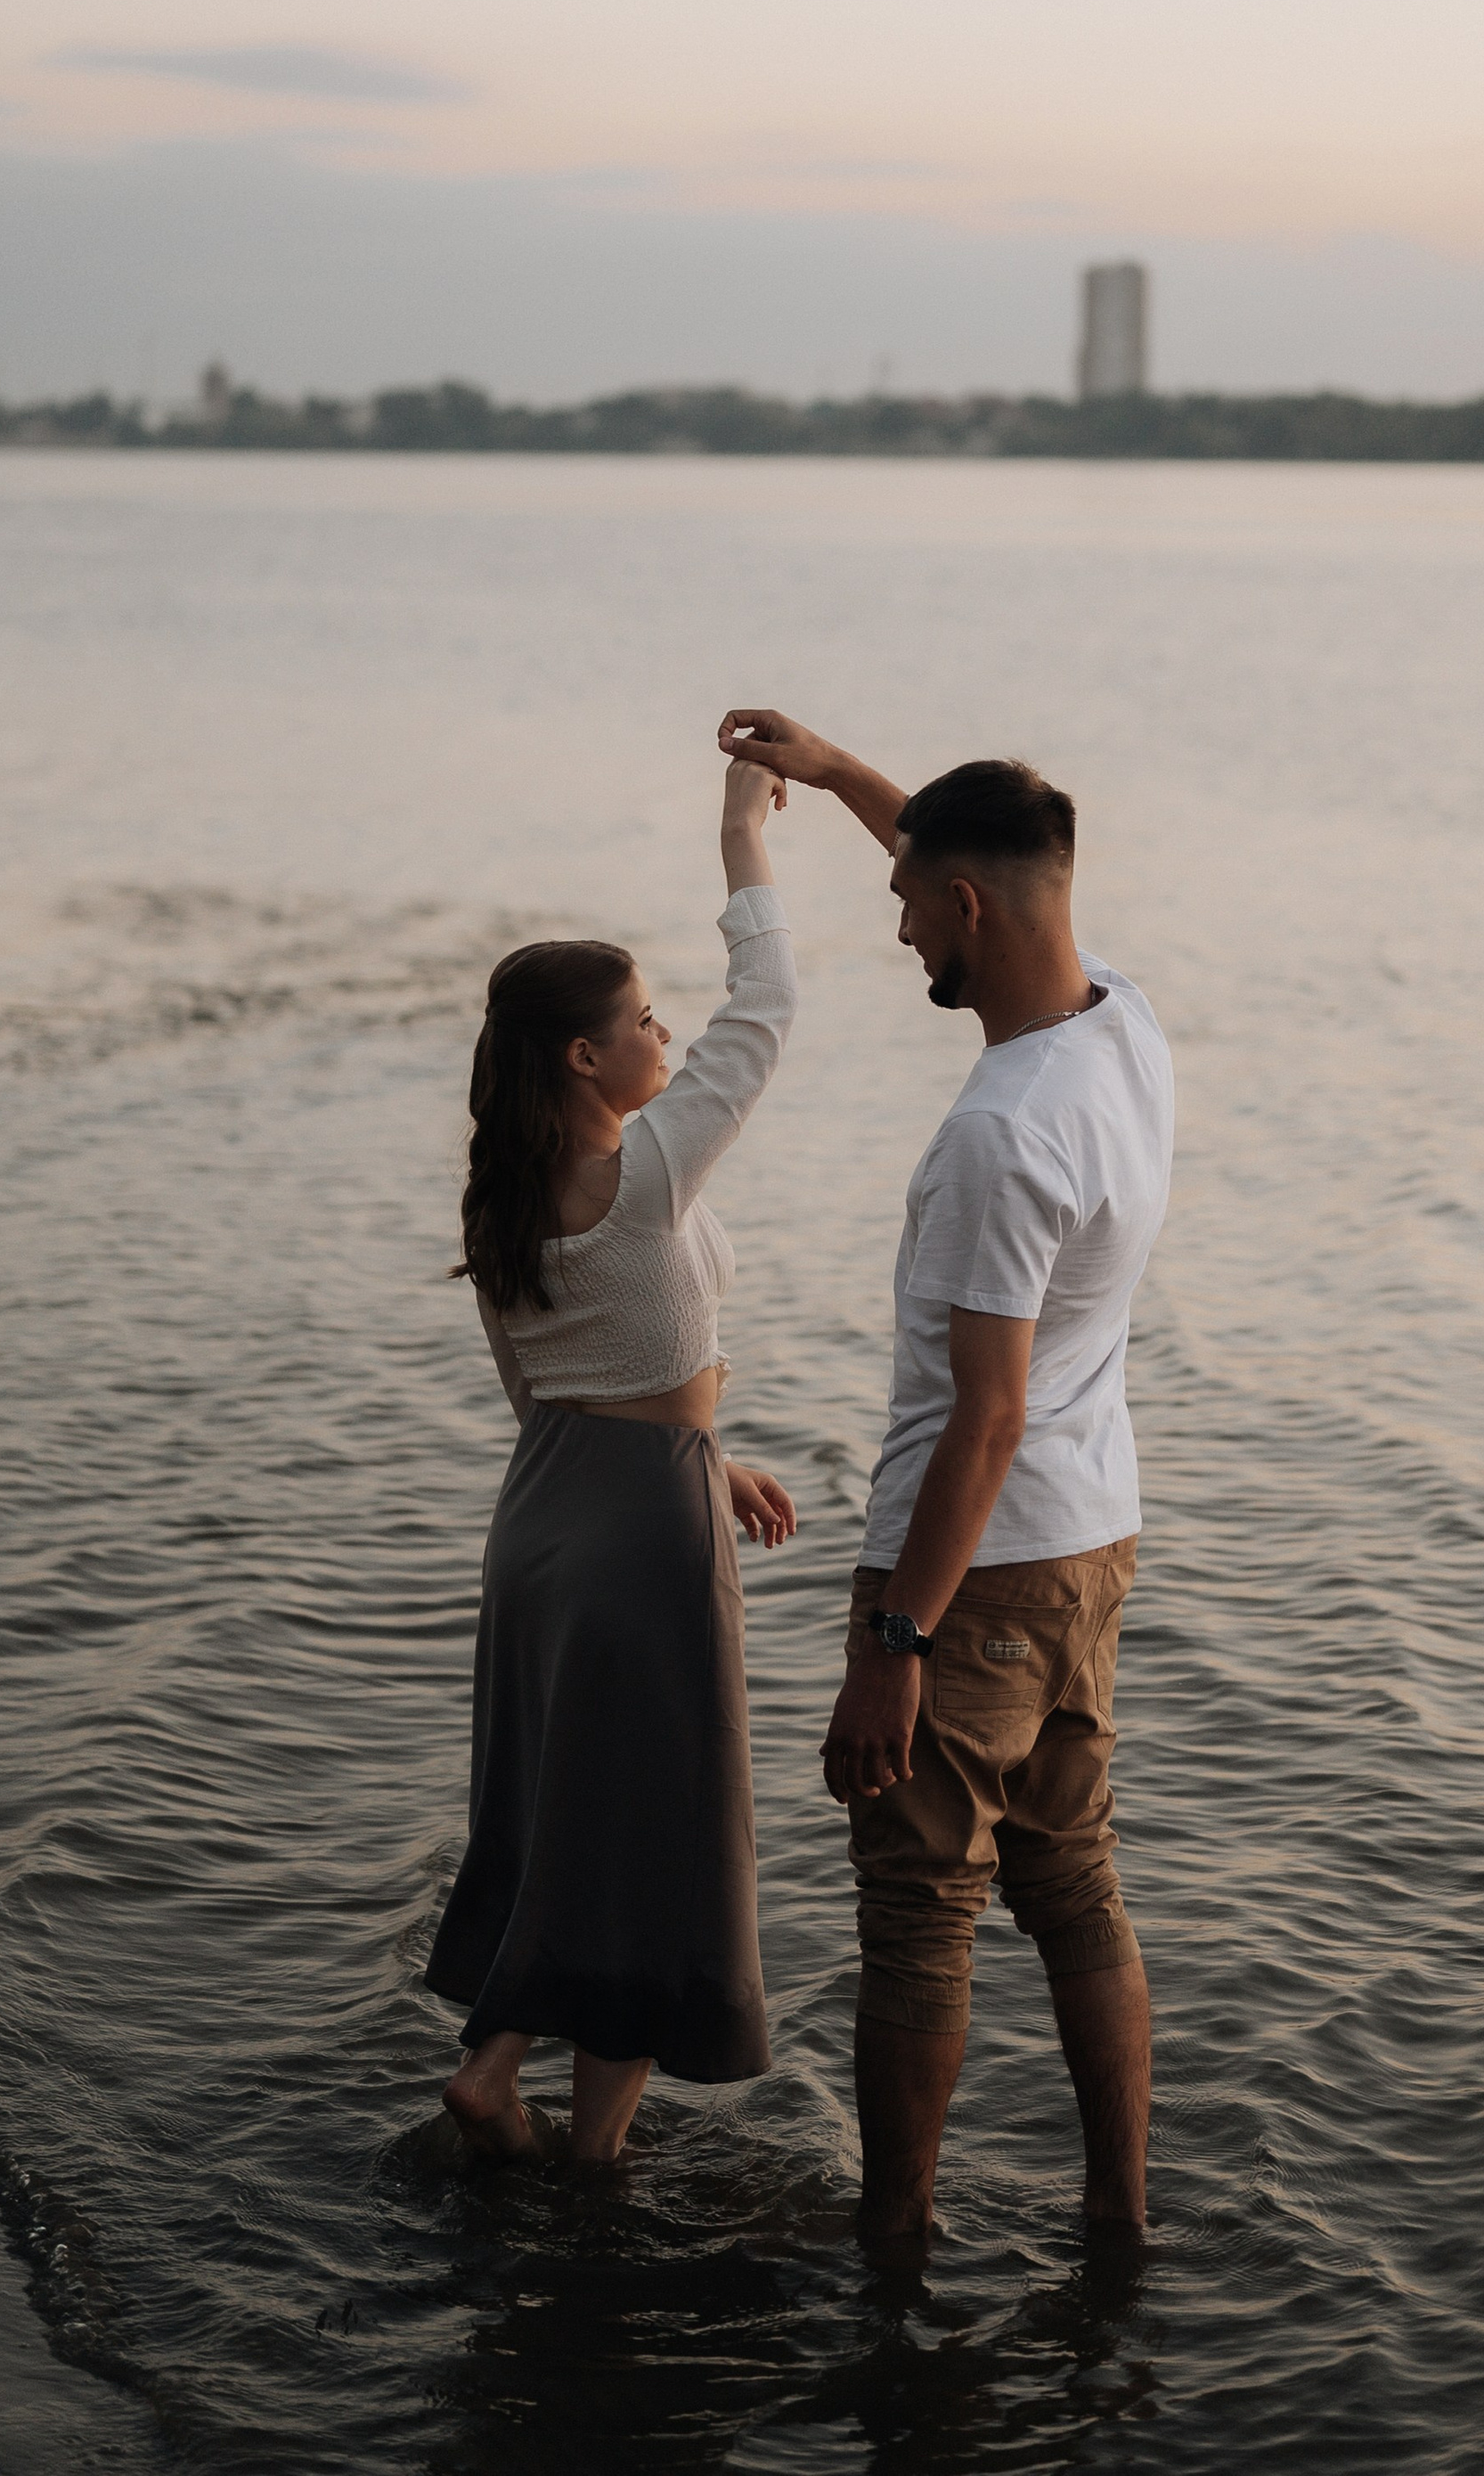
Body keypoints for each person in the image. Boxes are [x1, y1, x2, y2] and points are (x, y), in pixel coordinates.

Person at [716, 707, 1173, 2244]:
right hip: (1091, 1543)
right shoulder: (1122, 1025)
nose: (901, 922)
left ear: (967, 907)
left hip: (967, 1570)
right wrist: (843, 774)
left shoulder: (1000, 1132)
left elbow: (984, 1418)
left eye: (911, 901)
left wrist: (896, 1645)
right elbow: (975, 857)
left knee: (920, 1921)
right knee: (1077, 1890)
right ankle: (1121, 2216)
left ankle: (893, 2250)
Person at [426, 755, 800, 2162]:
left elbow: (551, 1392)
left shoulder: (504, 1199)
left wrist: (714, 1454)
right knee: (657, 1836)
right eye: (647, 1018)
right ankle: (576, 2157)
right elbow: (765, 1015)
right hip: (642, 1530)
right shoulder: (642, 1179)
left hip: (546, 1520)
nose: (671, 1033)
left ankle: (527, 2091)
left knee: (571, 1809)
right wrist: (739, 840)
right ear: (586, 1058)